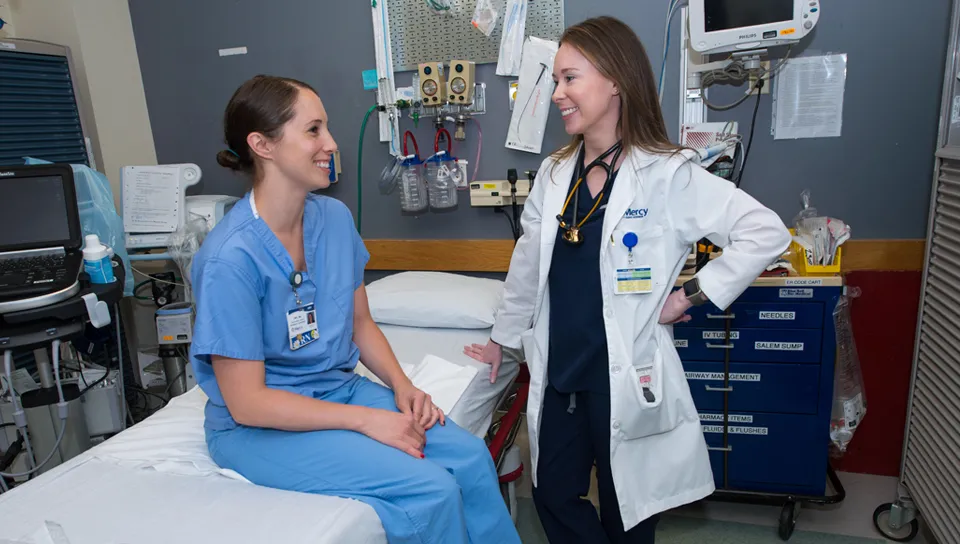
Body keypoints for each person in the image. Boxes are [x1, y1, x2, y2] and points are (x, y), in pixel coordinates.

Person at [464, 16, 792, 544]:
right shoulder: (553, 173)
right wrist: (503, 340)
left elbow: (765, 231)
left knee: (629, 514)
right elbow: (528, 262)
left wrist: (691, 294)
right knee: (552, 496)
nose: (557, 94)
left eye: (569, 78)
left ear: (614, 79)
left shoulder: (666, 172)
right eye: (556, 81)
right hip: (562, 370)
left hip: (624, 375)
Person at [190, 75, 521, 544]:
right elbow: (248, 402)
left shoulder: (334, 219)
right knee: (432, 488)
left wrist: (403, 387)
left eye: (326, 128)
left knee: (468, 458)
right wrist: (369, 420)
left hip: (337, 389)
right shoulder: (230, 259)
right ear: (262, 145)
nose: (330, 144)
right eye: (313, 130)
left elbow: (360, 324)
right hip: (260, 427)